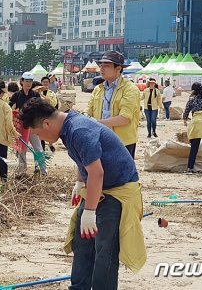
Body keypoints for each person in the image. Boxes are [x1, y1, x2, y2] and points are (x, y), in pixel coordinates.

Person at [19, 97, 146, 289]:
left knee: (105, 250)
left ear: (46, 123)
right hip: (99, 188)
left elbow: (97, 172)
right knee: (83, 243)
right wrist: (79, 181)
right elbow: (85, 161)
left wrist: (90, 211)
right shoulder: (66, 127)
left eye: (37, 133)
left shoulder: (79, 130)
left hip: (117, 191)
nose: (40, 138)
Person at [85, 51, 141, 158]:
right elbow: (88, 110)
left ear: (118, 68)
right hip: (100, 139)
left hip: (122, 142)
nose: (102, 69)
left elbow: (124, 118)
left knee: (122, 174)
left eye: (107, 66)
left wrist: (96, 123)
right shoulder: (98, 89)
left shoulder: (130, 89)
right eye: (101, 65)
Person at [9, 71, 43, 174]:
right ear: (22, 81)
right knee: (22, 149)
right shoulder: (17, 95)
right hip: (21, 126)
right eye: (26, 81)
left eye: (30, 81)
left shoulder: (35, 94)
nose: (28, 83)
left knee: (38, 148)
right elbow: (8, 106)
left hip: (33, 125)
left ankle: (41, 170)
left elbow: (41, 107)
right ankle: (22, 171)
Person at [33, 76, 59, 153]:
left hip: (49, 116)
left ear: (49, 83)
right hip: (39, 117)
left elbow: (53, 103)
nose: (45, 84)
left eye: (47, 82)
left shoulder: (52, 94)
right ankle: (43, 150)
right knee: (40, 134)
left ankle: (50, 144)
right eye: (44, 82)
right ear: (41, 83)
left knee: (49, 132)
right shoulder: (35, 93)